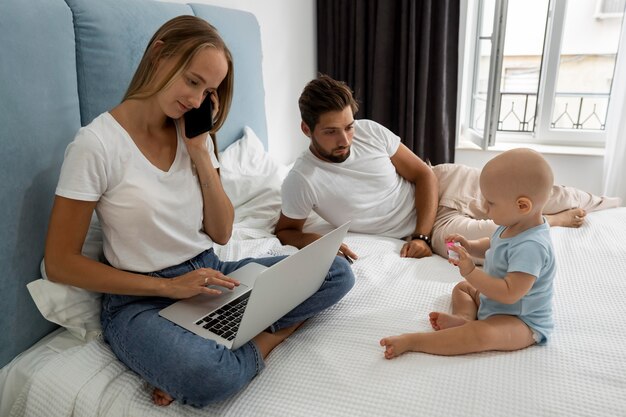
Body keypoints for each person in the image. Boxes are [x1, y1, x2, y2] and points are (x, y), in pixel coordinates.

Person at [44, 17, 354, 408]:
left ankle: (259, 338)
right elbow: (60, 263)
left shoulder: (192, 133)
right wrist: (168, 287)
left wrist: (200, 152)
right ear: (160, 54)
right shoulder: (96, 145)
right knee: (210, 376)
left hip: (208, 275)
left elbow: (222, 233)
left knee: (336, 271)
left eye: (207, 90)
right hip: (139, 301)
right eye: (192, 81)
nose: (195, 100)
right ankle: (244, 343)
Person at [275, 75, 621, 260]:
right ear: (307, 129)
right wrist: (317, 242)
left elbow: (423, 174)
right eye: (331, 132)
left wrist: (421, 237)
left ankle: (617, 204)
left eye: (348, 126)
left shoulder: (369, 131)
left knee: (548, 192)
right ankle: (552, 222)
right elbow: (287, 230)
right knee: (489, 243)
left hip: (442, 184)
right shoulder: (302, 179)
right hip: (430, 223)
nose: (346, 139)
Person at [380, 148, 556, 357]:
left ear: (522, 205)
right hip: (494, 302)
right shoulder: (513, 224)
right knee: (463, 289)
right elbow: (492, 244)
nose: (482, 206)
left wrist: (471, 271)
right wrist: (470, 246)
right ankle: (464, 317)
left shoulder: (532, 246)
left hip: (520, 319)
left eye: (490, 203)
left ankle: (415, 341)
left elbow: (510, 293)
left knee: (480, 334)